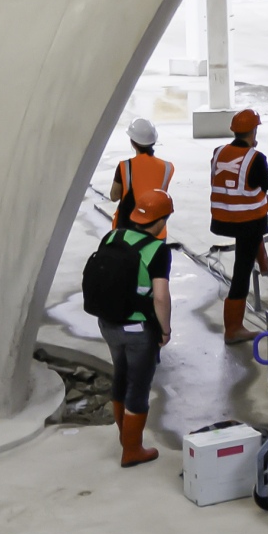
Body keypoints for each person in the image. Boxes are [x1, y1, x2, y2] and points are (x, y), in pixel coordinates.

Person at [94, 186, 172, 468]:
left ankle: (124, 437)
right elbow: (160, 297)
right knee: (138, 387)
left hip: (108, 322)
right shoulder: (158, 251)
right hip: (138, 329)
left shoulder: (112, 235)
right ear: (162, 221)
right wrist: (165, 330)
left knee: (121, 375)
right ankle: (132, 450)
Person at [207, 108, 268, 341]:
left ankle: (263, 262)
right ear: (253, 130)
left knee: (253, 236)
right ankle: (233, 328)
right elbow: (266, 184)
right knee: (241, 272)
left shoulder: (218, 152)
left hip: (221, 217)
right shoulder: (255, 158)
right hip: (246, 220)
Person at [109, 118, 172, 237]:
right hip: (157, 231)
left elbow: (114, 196)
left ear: (132, 142)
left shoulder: (125, 166)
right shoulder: (167, 167)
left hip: (128, 230)